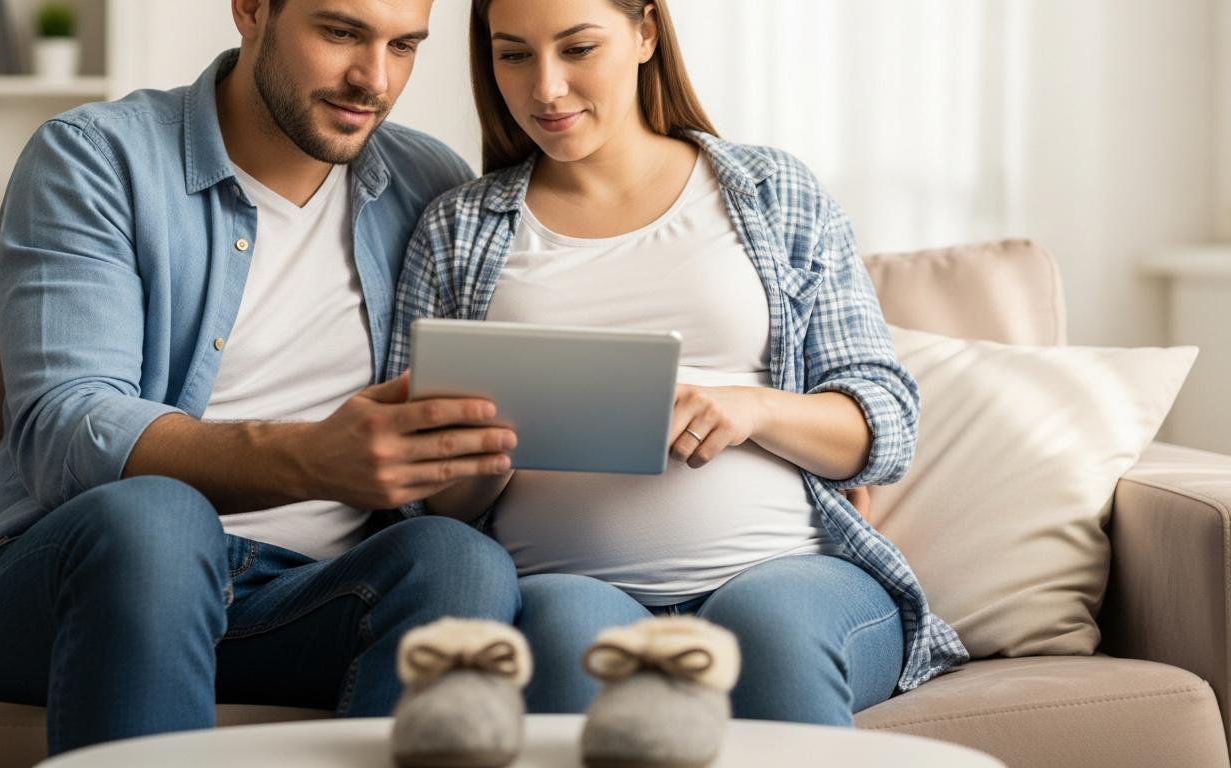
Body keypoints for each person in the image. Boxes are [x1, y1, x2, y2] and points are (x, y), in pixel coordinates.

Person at [0, 0, 527, 755]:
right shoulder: (95, 157)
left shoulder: (427, 179)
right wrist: (312, 457)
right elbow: (66, 424)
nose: (373, 78)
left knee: (460, 561)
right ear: (250, 10)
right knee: (159, 522)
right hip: (96, 574)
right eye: (340, 32)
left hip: (308, 596)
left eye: (403, 45)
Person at [388, 0, 968, 724]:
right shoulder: (456, 229)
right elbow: (420, 496)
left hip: (790, 572)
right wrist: (487, 449)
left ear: (645, 32)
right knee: (568, 639)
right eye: (514, 55)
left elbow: (884, 424)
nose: (546, 89)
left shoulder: (770, 190)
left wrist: (754, 408)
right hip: (563, 582)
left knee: (772, 632)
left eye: (577, 49)